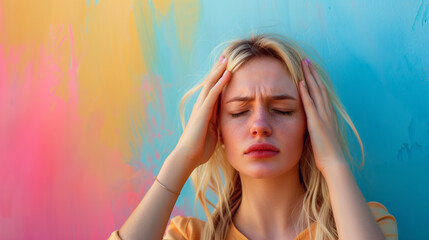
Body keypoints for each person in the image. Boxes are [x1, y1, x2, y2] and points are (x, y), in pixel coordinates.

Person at [108, 33, 397, 240]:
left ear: (310, 125)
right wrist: (182, 158)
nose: (260, 125)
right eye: (238, 112)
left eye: (282, 110)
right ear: (215, 128)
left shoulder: (365, 223)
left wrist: (334, 163)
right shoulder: (188, 236)